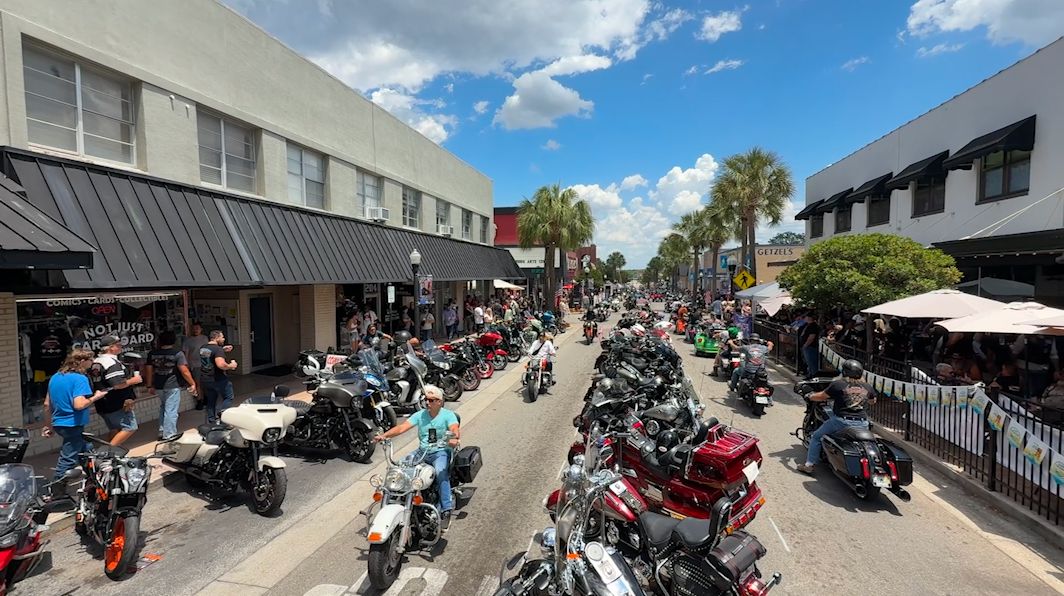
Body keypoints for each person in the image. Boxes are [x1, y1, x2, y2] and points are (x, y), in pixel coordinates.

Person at [372, 385, 460, 530]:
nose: (427, 403)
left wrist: (453, 438)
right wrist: (384, 436)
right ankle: (396, 500)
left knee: (440, 472)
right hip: (422, 452)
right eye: (426, 400)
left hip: (440, 452)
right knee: (399, 468)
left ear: (439, 401)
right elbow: (402, 427)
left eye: (431, 400)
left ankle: (446, 509)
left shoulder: (448, 415)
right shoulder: (420, 415)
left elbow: (454, 429)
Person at [797, 359, 877, 474]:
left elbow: (821, 396)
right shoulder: (867, 387)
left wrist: (809, 396)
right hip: (863, 423)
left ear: (844, 372)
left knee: (816, 436)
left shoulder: (838, 384)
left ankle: (809, 465)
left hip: (842, 422)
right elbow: (872, 401)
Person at [42, 348, 110, 483]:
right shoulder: (80, 379)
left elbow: (46, 404)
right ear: (83, 361)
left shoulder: (56, 377)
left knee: (86, 450)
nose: (92, 362)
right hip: (72, 424)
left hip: (59, 423)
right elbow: (79, 405)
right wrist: (96, 397)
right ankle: (56, 488)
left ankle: (94, 480)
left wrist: (49, 426)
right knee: (68, 459)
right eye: (91, 359)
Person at [145, 330, 197, 441]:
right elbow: (184, 371)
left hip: (158, 385)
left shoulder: (152, 354)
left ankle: (162, 430)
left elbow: (148, 370)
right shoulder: (178, 353)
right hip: (172, 385)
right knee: (171, 411)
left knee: (164, 408)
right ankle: (169, 434)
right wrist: (192, 383)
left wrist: (149, 385)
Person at [92, 335, 142, 446]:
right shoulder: (111, 363)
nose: (121, 347)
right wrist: (133, 380)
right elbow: (117, 385)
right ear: (110, 347)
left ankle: (107, 451)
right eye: (118, 345)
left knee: (115, 429)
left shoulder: (97, 361)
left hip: (102, 402)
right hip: (116, 402)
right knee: (130, 427)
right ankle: (108, 452)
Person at [199, 330, 238, 425]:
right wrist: (231, 365)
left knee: (211, 400)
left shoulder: (203, 348)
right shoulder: (217, 350)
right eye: (222, 337)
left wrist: (222, 349)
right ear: (216, 338)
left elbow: (210, 354)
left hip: (205, 379)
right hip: (217, 379)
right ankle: (223, 419)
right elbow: (221, 365)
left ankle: (211, 422)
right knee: (228, 397)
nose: (224, 339)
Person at [181, 322, 209, 410]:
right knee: (197, 383)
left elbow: (208, 350)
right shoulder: (188, 340)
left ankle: (206, 398)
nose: (195, 330)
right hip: (194, 365)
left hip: (205, 364)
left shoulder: (205, 338)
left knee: (205, 382)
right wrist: (186, 365)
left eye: (197, 328)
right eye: (194, 328)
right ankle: (199, 400)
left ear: (201, 329)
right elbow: (186, 354)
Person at [799, 313, 821, 379]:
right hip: (806, 346)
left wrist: (805, 345)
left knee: (812, 362)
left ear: (809, 318)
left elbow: (811, 337)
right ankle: (810, 374)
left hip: (810, 347)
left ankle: (814, 376)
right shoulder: (807, 325)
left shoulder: (813, 326)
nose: (805, 318)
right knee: (808, 362)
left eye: (806, 317)